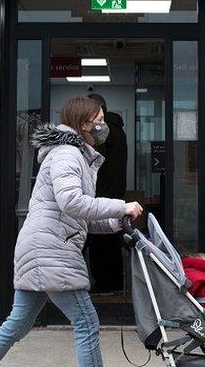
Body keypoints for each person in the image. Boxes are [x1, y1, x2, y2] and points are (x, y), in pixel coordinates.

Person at [0, 96, 144, 367]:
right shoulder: (68, 154)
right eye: (98, 122)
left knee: (16, 325)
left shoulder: (75, 155)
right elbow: (72, 202)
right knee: (86, 322)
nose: (102, 126)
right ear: (82, 123)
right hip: (53, 249)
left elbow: (77, 216)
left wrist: (115, 220)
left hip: (43, 246)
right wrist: (121, 205)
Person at [85, 93, 128, 292]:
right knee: (111, 242)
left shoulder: (103, 133)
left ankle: (105, 284)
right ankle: (114, 283)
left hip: (101, 193)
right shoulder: (119, 131)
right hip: (114, 192)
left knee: (99, 244)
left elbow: (93, 160)